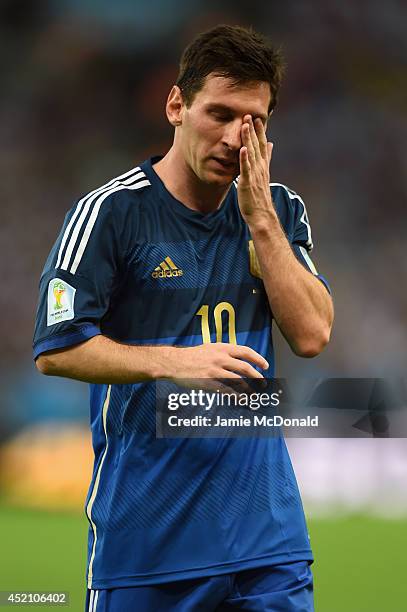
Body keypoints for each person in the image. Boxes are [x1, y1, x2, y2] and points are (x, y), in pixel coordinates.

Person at [33, 24, 333, 612]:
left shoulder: (278, 210)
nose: (233, 138)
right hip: (147, 546)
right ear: (176, 105)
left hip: (267, 545)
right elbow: (55, 348)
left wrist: (262, 222)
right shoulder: (110, 214)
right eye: (219, 114)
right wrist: (174, 362)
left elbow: (313, 335)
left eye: (253, 122)